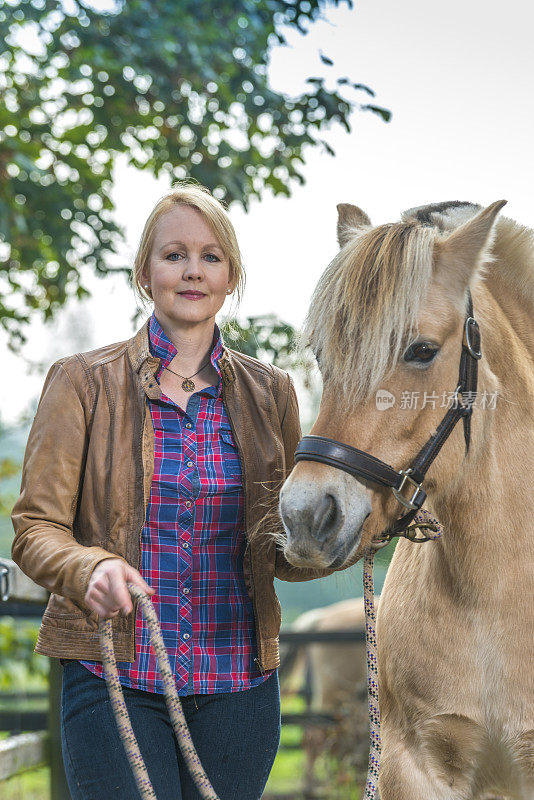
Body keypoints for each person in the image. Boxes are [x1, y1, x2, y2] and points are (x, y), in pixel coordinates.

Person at [11, 182, 340, 800]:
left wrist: (360, 523)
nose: (193, 271)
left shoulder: (272, 395)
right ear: (145, 273)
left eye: (211, 256)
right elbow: (35, 528)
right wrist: (89, 566)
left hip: (239, 683)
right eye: (174, 255)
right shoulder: (82, 384)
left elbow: (284, 551)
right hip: (115, 677)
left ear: (232, 277)